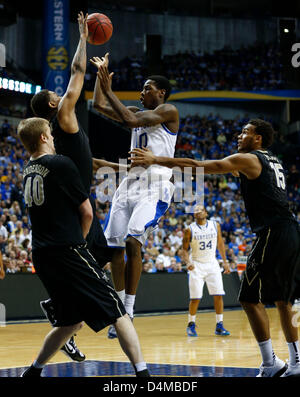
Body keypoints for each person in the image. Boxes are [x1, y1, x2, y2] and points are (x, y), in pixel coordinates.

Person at [130, 118, 300, 377]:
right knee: (282, 299)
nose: (239, 136)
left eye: (245, 132)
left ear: (258, 139)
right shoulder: (271, 160)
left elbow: (199, 165)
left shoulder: (250, 159)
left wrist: (157, 160)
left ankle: (270, 363)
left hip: (273, 232)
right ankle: (296, 361)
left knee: (248, 298)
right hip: (290, 231)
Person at [18, 117, 150, 377]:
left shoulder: (28, 169)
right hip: (68, 249)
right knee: (118, 311)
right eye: (51, 134)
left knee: (70, 321)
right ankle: (144, 376)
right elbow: (87, 213)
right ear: (44, 138)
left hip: (42, 254)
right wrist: (80, 245)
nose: (54, 138)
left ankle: (33, 372)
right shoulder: (60, 163)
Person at [30, 12, 125, 361]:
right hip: (76, 204)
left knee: (103, 258)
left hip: (78, 199)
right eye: (56, 94)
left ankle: (63, 311)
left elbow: (91, 162)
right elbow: (76, 73)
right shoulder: (64, 115)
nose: (62, 93)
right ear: (54, 104)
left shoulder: (67, 131)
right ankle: (77, 312)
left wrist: (123, 168)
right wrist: (83, 38)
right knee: (108, 256)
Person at [91, 53, 179, 338]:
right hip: (130, 184)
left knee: (132, 242)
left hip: (156, 185)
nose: (142, 93)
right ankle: (118, 309)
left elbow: (128, 120)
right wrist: (100, 78)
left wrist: (109, 89)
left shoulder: (169, 112)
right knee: (114, 249)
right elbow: (99, 105)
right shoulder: (137, 114)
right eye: (141, 89)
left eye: (147, 89)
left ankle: (129, 308)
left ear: (161, 92)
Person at [181, 204, 231, 337]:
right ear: (194, 215)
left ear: (206, 213)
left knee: (218, 295)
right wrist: (188, 262)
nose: (198, 212)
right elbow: (184, 250)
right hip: (196, 265)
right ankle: (191, 324)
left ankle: (219, 325)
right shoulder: (189, 229)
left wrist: (225, 262)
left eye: (200, 210)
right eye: (195, 211)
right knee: (195, 298)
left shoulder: (215, 225)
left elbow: (220, 243)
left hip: (212, 264)